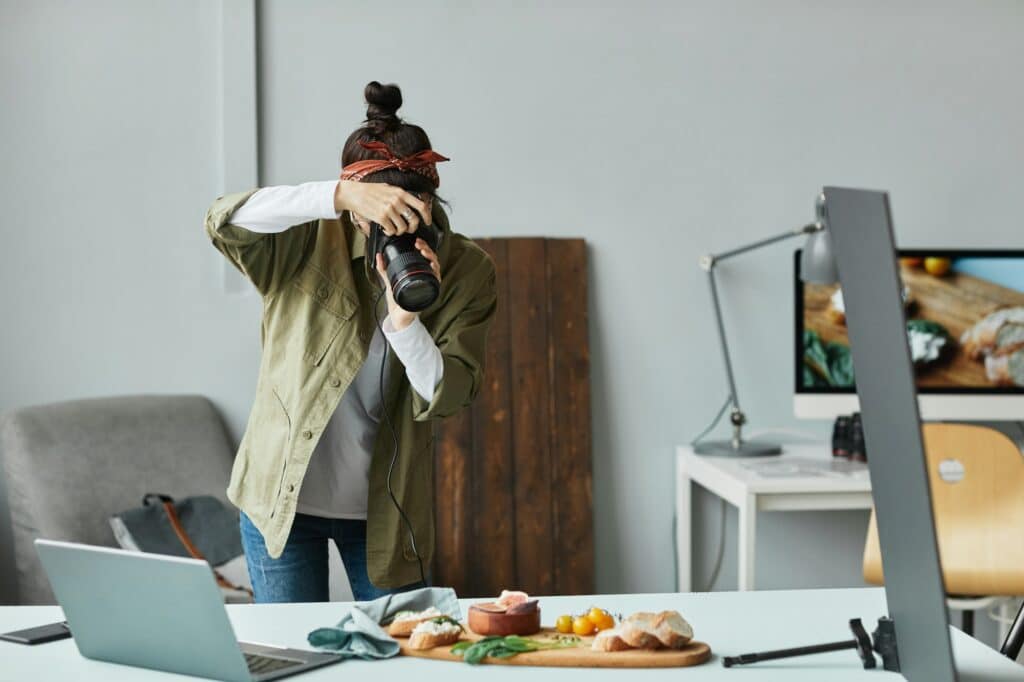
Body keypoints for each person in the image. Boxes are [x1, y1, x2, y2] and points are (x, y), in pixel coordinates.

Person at [204, 81, 497, 602]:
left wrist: (407, 319)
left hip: (386, 513)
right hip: (280, 501)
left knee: (403, 658)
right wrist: (336, 195)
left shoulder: (466, 271)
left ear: (429, 199)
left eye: (410, 209)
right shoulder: (308, 237)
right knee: (291, 657)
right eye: (375, 213)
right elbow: (225, 220)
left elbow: (451, 393)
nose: (390, 226)